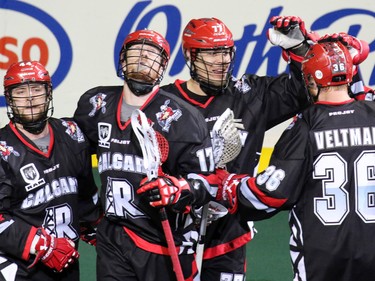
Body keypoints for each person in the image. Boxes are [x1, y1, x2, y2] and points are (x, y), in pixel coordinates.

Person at [161, 16, 316, 280]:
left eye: (225, 52)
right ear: (189, 55)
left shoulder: (250, 95)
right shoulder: (163, 103)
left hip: (229, 238)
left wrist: (299, 50)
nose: (221, 61)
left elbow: (307, 91)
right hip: (173, 238)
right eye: (211, 53)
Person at [215, 39, 375, 281]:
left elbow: (268, 195)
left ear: (310, 79)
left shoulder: (307, 125)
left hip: (321, 257)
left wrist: (227, 185)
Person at [73, 29, 215, 281]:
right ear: (123, 59)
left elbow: (206, 182)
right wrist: (88, 212)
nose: (142, 60)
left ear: (162, 66)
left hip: (160, 239)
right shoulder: (95, 104)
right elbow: (74, 156)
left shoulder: (183, 118)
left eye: (151, 56)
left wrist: (177, 188)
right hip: (113, 238)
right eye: (136, 52)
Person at [0, 61, 101, 281]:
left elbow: (84, 192)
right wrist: (39, 244)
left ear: (48, 94)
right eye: (20, 91)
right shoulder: (2, 149)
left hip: (67, 263)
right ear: (10, 99)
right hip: (20, 268)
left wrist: (97, 225)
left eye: (36, 89)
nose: (29, 99)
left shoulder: (71, 134)